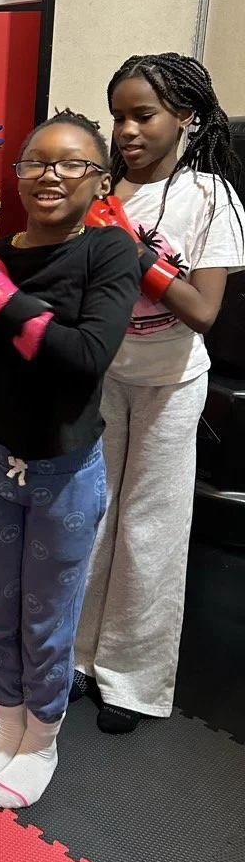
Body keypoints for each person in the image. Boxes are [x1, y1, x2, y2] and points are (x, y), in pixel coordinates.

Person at [0, 111, 139, 808]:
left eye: (71, 164)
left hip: (64, 471)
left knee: (48, 616)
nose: (50, 175)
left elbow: (87, 358)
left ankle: (43, 741)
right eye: (36, 162)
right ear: (16, 174)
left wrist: (2, 303)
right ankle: (5, 730)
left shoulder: (108, 255)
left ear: (99, 182)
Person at [74, 54, 245, 734]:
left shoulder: (211, 197)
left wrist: (131, 250)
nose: (126, 130)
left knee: (150, 530)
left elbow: (202, 310)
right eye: (118, 116)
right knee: (92, 517)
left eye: (142, 115)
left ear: (187, 118)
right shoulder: (110, 191)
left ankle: (132, 680)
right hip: (106, 373)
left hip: (173, 383)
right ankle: (79, 658)